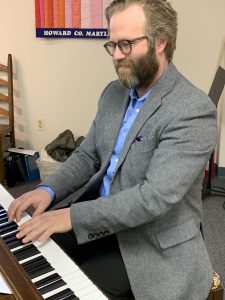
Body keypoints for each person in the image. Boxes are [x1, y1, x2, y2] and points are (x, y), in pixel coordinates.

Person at [8, 0, 217, 299]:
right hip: (101, 220)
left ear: (161, 42)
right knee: (25, 252)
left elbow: (153, 198)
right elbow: (88, 155)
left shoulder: (192, 110)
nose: (117, 55)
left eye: (127, 44)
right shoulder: (113, 93)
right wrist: (49, 191)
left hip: (150, 244)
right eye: (113, 45)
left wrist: (70, 217)